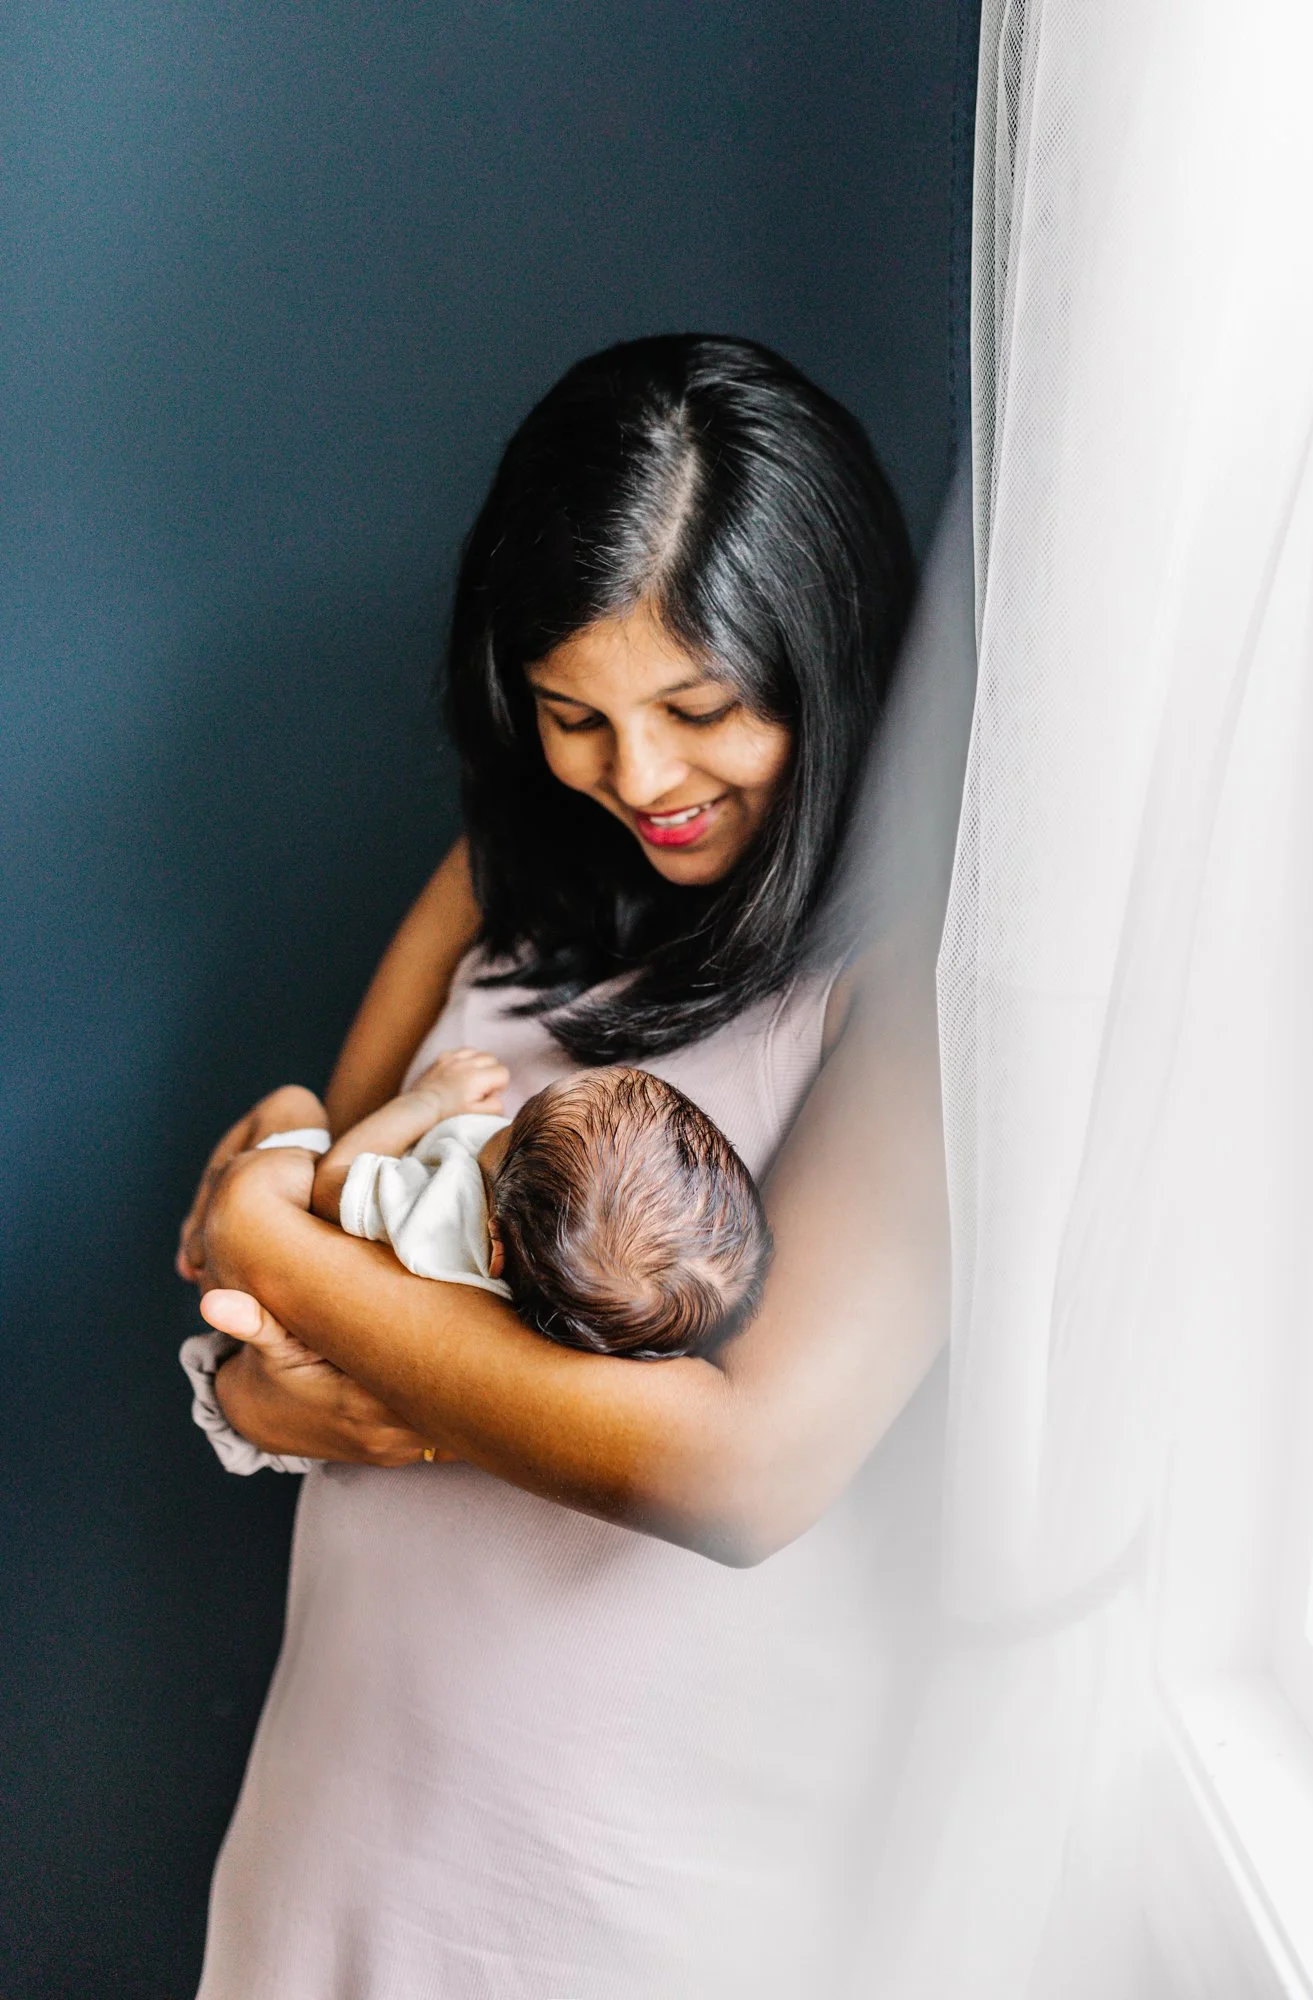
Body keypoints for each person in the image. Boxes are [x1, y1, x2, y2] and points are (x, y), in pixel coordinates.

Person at [178, 334, 950, 1999]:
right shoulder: (505, 875)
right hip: (354, 1794)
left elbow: (739, 1472)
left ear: (825, 659)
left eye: (701, 709)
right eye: (571, 716)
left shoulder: (917, 972)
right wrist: (251, 1395)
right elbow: (278, 1289)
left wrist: (270, 1240)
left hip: (635, 1878)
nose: (643, 780)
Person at [192, 1047, 773, 1365]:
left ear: (494, 1246)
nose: (507, 1120)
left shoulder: (444, 1216)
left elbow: (332, 1184)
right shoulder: (575, 1293)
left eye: (516, 1127)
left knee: (291, 1106)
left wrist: (430, 1102)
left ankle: (198, 1245)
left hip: (303, 1286)